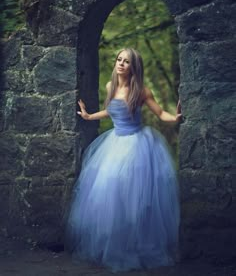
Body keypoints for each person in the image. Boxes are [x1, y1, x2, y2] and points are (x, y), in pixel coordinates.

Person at [65, 48, 182, 273]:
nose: (120, 64)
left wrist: (175, 117)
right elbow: (111, 111)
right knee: (110, 193)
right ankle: (114, 245)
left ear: (133, 67)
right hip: (115, 144)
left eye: (126, 62)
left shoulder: (141, 92)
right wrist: (89, 116)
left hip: (137, 145)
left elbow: (160, 114)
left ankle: (136, 245)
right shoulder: (111, 87)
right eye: (119, 59)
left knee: (135, 199)